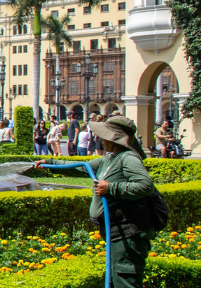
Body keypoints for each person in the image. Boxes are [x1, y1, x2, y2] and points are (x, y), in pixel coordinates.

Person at [36, 116, 159, 288]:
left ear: (114, 138)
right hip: (117, 232)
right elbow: (81, 167)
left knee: (125, 280)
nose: (100, 139)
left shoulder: (128, 158)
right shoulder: (109, 159)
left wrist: (111, 188)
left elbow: (145, 185)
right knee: (115, 279)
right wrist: (49, 163)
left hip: (129, 232)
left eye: (103, 135)